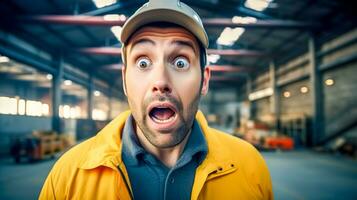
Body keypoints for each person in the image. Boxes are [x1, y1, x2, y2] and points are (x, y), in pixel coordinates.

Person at [39, 0, 273, 199]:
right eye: (143, 63)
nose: (160, 81)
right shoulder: (69, 175)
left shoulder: (249, 165)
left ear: (204, 80)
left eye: (180, 62)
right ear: (124, 80)